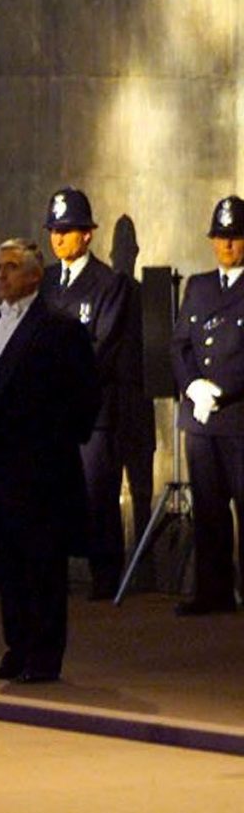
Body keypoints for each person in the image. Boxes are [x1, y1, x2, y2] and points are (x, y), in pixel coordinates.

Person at [0, 238, 98, 684]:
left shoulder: (58, 328)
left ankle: (44, 656)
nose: (2, 275)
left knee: (42, 565)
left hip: (39, 472)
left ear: (35, 275)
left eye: (11, 268)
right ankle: (16, 647)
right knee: (7, 564)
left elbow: (83, 397)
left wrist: (47, 441)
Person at [40, 187, 152, 599]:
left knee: (96, 495)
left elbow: (101, 348)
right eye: (54, 230)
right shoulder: (47, 281)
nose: (59, 238)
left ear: (87, 234)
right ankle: (53, 571)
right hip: (49, 410)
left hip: (90, 413)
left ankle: (105, 576)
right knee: (50, 494)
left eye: (67, 230)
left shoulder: (110, 284)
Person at [173, 194, 244, 615]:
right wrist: (193, 384)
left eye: (234, 238)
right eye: (220, 238)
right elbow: (180, 344)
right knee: (209, 508)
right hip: (200, 419)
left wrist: (220, 388)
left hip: (237, 416)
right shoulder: (198, 286)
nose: (227, 246)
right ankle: (213, 592)